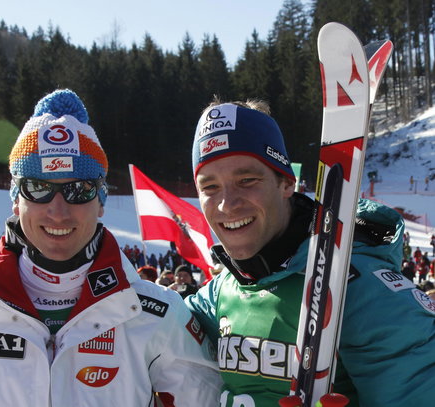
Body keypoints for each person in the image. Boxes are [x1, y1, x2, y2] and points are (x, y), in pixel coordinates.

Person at [0, 89, 220, 406]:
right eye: (38, 188)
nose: (58, 210)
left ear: (101, 201)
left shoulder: (157, 315)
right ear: (16, 200)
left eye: (78, 189)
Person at [185, 98, 435, 406]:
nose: (227, 203)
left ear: (286, 182)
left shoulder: (360, 290)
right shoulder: (220, 293)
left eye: (247, 180)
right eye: (209, 187)